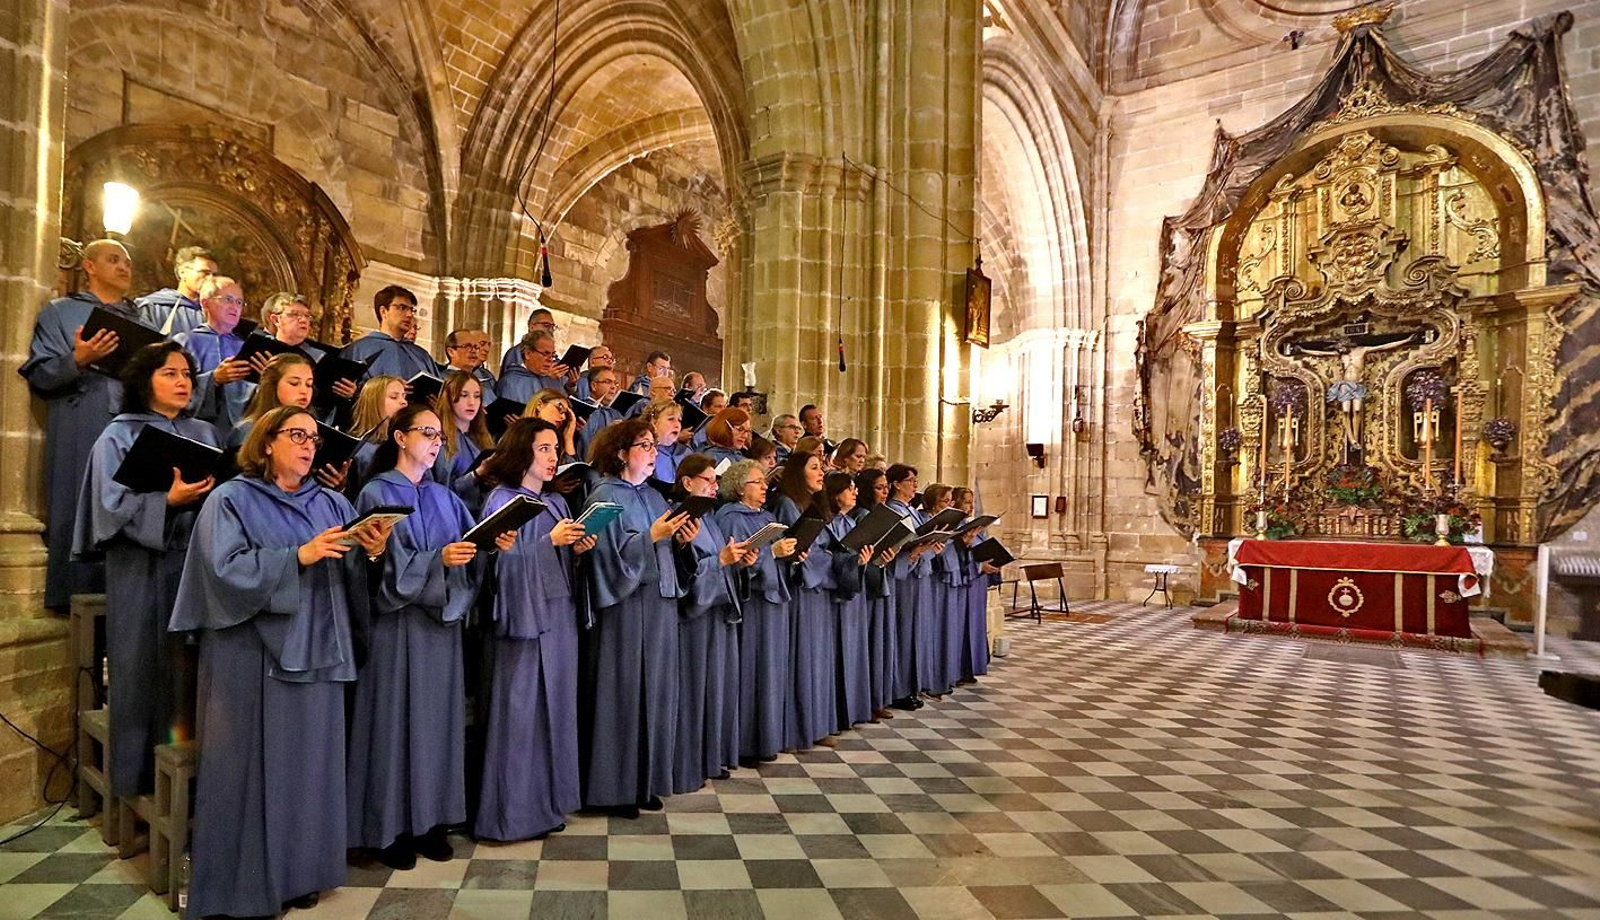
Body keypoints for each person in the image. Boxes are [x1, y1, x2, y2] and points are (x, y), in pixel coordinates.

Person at [170, 405, 392, 918]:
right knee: (249, 773)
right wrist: (296, 557)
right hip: (250, 658)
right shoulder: (230, 499)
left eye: (314, 437)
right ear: (266, 442)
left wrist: (372, 552)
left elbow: (348, 574)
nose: (309, 444)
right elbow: (221, 571)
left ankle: (302, 872)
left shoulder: (334, 503)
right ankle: (241, 887)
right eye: (297, 434)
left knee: (310, 770)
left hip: (319, 654)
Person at [347, 404, 491, 870]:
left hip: (439, 626)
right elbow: (373, 565)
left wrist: (487, 548)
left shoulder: (446, 497)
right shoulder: (376, 492)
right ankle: (389, 830)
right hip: (396, 625)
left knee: (436, 726)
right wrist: (436, 563)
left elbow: (467, 554)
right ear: (399, 436)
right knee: (394, 723)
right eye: (426, 432)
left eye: (439, 435)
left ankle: (431, 822)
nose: (435, 441)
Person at [73, 342, 217, 796]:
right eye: (169, 373)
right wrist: (166, 503)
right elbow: (107, 507)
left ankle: (187, 787)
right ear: (144, 381)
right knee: (139, 669)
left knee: (190, 671)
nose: (182, 382)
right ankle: (133, 784)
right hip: (139, 567)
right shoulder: (118, 435)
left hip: (193, 566)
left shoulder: (204, 433)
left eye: (187, 375)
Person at [475, 419, 595, 842]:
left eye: (554, 450)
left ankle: (548, 805)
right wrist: (549, 544)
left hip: (558, 615)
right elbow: (495, 563)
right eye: (544, 448)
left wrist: (577, 548)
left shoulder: (557, 504)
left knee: (556, 710)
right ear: (522, 451)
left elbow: (559, 563)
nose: (552, 457)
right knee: (520, 714)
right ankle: (510, 816)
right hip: (522, 620)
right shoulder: (502, 500)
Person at [580, 419, 692, 818]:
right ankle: (615, 789)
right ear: (621, 453)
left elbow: (665, 551)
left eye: (653, 446)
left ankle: (645, 780)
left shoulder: (655, 497)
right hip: (625, 608)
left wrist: (679, 541)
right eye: (643, 446)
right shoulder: (604, 495)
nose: (652, 453)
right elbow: (604, 557)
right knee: (623, 695)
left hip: (659, 605)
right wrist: (652, 538)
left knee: (656, 693)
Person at [20, 239, 139, 609]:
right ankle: (73, 601)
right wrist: (79, 358)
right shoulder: (60, 313)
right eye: (113, 260)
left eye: (127, 262)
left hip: (132, 427)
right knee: (78, 506)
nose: (123, 267)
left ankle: (124, 600)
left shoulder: (142, 322)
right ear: (88, 266)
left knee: (131, 508)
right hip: (80, 421)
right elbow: (40, 373)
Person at [671, 454, 752, 793]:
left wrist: (740, 562)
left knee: (717, 689)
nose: (714, 486)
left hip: (717, 613)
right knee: (694, 691)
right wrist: (720, 562)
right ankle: (690, 762)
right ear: (688, 484)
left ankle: (712, 755)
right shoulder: (682, 517)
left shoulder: (712, 521)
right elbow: (682, 570)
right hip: (695, 618)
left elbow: (719, 560)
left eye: (715, 481)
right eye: (707, 480)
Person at [712, 461, 797, 766]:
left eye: (764, 483)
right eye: (757, 483)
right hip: (752, 605)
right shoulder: (731, 518)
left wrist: (790, 554)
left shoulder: (768, 517)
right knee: (752, 673)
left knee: (771, 674)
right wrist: (769, 556)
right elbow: (736, 564)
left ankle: (767, 739)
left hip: (773, 602)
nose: (764, 488)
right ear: (739, 487)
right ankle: (747, 742)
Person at [773, 450, 834, 749]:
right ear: (798, 473)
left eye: (821, 467)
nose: (821, 472)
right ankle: (799, 728)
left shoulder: (812, 504)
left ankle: (815, 723)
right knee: (802, 656)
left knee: (816, 657)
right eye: (814, 468)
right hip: (800, 587)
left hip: (816, 584)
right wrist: (809, 559)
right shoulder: (787, 503)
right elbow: (792, 546)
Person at [821, 472, 874, 730]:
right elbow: (829, 559)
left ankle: (851, 710)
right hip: (832, 597)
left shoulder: (850, 523)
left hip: (850, 596)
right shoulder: (828, 523)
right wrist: (853, 562)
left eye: (855, 487)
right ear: (835, 494)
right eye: (849, 488)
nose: (855, 492)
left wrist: (863, 562)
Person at [885, 464, 937, 710]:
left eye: (916, 480)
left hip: (918, 575)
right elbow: (896, 548)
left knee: (917, 631)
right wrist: (913, 553)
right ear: (896, 484)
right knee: (904, 631)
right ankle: (901, 689)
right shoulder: (893, 511)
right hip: (904, 578)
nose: (915, 484)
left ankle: (915, 684)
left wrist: (932, 544)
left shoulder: (911, 510)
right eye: (910, 480)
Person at [175, 275, 254, 438]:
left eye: (239, 302)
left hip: (243, 432)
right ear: (205, 303)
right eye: (228, 300)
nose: (235, 307)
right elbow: (172, 386)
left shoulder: (248, 346)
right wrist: (214, 379)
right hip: (195, 430)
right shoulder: (184, 342)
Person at [853, 468, 899, 721]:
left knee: (880, 641)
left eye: (886, 488)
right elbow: (859, 551)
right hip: (867, 586)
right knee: (870, 643)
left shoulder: (879, 514)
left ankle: (878, 698)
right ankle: (867, 701)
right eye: (880, 488)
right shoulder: (863, 516)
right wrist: (877, 561)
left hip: (880, 580)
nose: (885, 492)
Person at [260, 292, 360, 402]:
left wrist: (351, 394)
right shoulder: (258, 351)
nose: (303, 320)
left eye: (307, 316)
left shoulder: (321, 355)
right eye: (294, 314)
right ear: (276, 320)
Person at [340, 285, 437, 381]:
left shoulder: (422, 355)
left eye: (412, 310)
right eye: (402, 308)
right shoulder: (358, 350)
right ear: (383, 311)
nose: (409, 315)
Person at [431, 371, 496, 513]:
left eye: (477, 396)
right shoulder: (438, 440)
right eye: (464, 395)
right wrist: (477, 474)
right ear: (448, 398)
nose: (472, 402)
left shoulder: (483, 438)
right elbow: (440, 490)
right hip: (450, 515)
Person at [922, 483, 962, 697]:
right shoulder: (926, 519)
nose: (948, 505)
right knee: (934, 629)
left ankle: (945, 676)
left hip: (946, 575)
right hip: (932, 577)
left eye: (951, 502)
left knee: (946, 628)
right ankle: (932, 679)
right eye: (944, 502)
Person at [952, 487, 996, 682]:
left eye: (972, 503)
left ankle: (973, 667)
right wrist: (979, 566)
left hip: (978, 585)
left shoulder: (975, 528)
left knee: (977, 624)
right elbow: (959, 556)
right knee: (964, 626)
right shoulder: (956, 528)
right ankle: (961, 668)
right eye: (967, 502)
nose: (971, 507)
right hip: (966, 583)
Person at [347, 375, 409, 493]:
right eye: (394, 397)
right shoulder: (359, 451)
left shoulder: (404, 444)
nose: (404, 402)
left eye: (404, 397)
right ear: (374, 402)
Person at [136, 245, 215, 336]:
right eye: (205, 273)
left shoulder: (215, 313)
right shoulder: (152, 307)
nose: (211, 279)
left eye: (214, 274)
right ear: (182, 272)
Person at [500, 331, 567, 404]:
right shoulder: (510, 382)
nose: (550, 359)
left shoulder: (551, 380)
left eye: (552, 355)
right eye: (545, 354)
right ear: (527, 354)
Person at [574, 365, 622, 459]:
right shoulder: (581, 409)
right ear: (594, 385)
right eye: (608, 382)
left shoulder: (615, 414)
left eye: (615, 383)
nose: (613, 387)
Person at [496, 307, 558, 377]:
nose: (550, 330)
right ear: (531, 326)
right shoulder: (515, 353)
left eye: (552, 327)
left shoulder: (553, 356)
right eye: (546, 325)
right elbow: (515, 380)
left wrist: (569, 384)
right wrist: (546, 375)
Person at [525, 387, 579, 461]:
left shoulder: (557, 440)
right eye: (560, 408)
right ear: (539, 405)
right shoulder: (518, 435)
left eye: (565, 413)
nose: (563, 417)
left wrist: (568, 438)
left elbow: (572, 470)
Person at [443, 328, 497, 400]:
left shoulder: (484, 378)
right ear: (451, 352)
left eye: (475, 347)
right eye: (467, 346)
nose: (474, 351)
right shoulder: (442, 379)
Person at [640, 398, 685, 483]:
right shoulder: (643, 452)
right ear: (654, 422)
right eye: (671, 419)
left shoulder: (686, 451)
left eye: (679, 420)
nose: (677, 425)